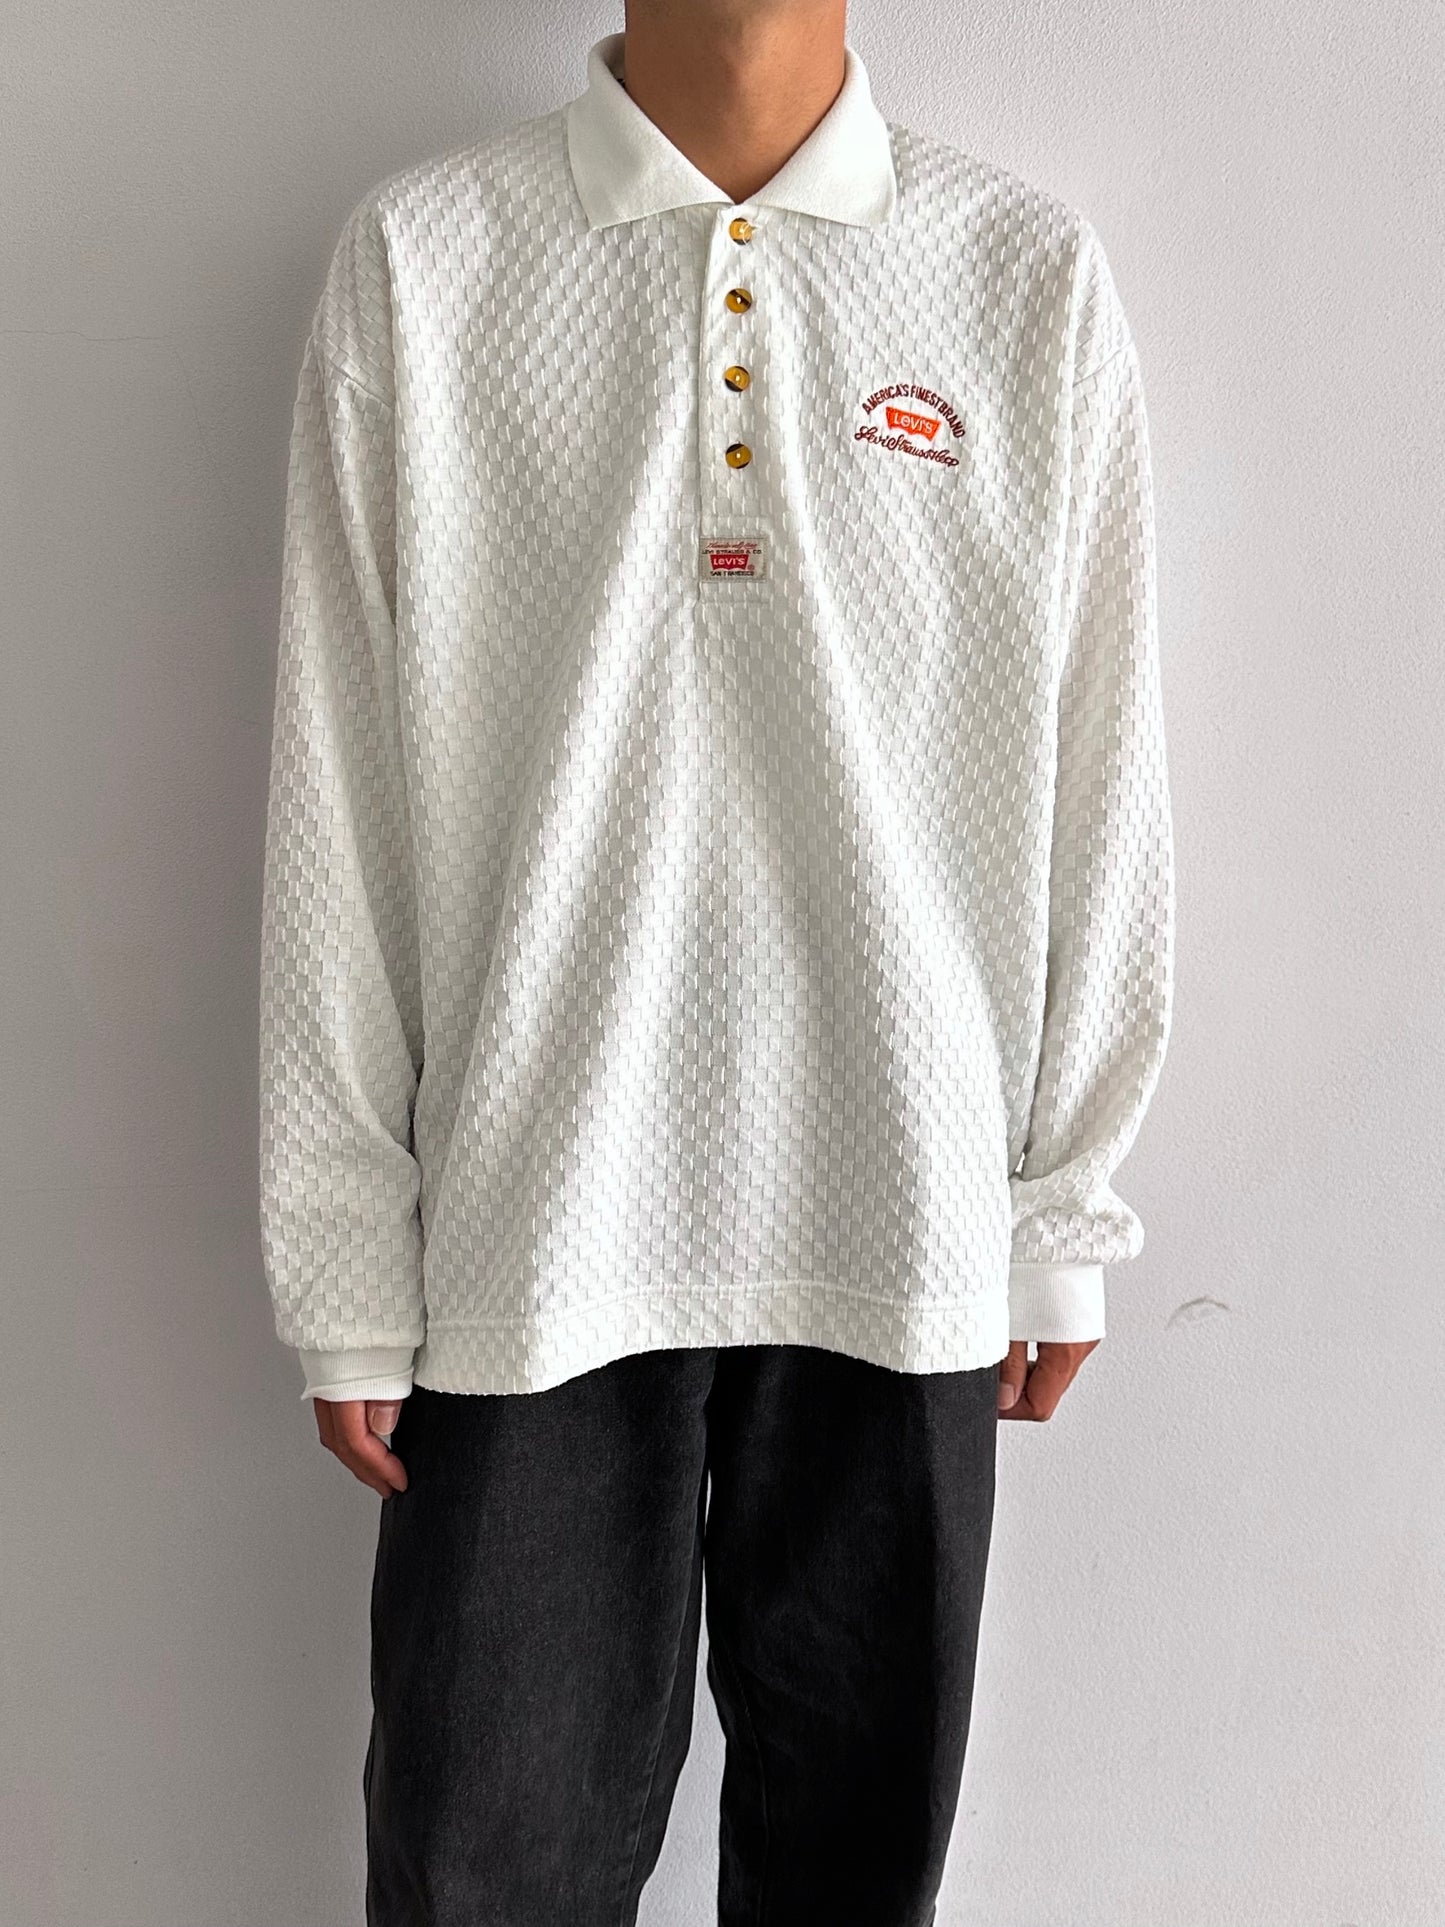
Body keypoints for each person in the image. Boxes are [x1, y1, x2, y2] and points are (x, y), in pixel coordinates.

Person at [258, 2, 1175, 1920]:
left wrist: (1058, 1206)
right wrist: (344, 1247)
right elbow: (337, 791)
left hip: (906, 1210)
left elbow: (1102, 770)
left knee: (854, 1878)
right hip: (527, 1223)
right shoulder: (427, 263)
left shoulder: (1019, 278)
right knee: (482, 1872)